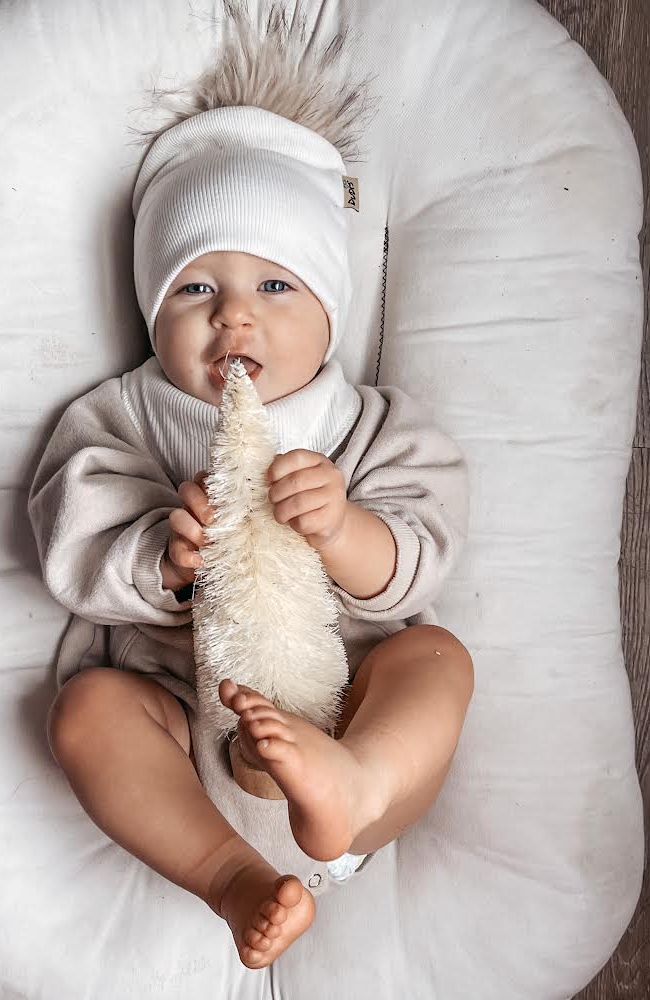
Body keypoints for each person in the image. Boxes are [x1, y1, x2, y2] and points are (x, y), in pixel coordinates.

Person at [28, 8, 474, 973]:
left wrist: (351, 532)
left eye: (277, 287)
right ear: (153, 312)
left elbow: (426, 540)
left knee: (436, 657)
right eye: (195, 289)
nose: (234, 314)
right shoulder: (126, 417)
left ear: (331, 309)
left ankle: (350, 783)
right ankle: (230, 876)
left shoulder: (366, 424)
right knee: (83, 713)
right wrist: (160, 555)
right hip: (180, 722)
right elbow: (70, 531)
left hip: (354, 714)